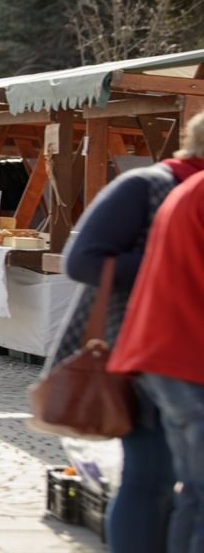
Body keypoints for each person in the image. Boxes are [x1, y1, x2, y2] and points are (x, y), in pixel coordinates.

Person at [54, 111, 204, 553]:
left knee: (177, 484)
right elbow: (81, 261)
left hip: (169, 344)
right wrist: (167, 265)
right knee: (150, 477)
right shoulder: (147, 185)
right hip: (139, 342)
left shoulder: (185, 190)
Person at [108, 169, 204, 553]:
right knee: (163, 484)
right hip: (185, 358)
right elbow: (85, 260)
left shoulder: (189, 190)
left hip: (170, 355)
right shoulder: (155, 187)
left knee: (190, 493)